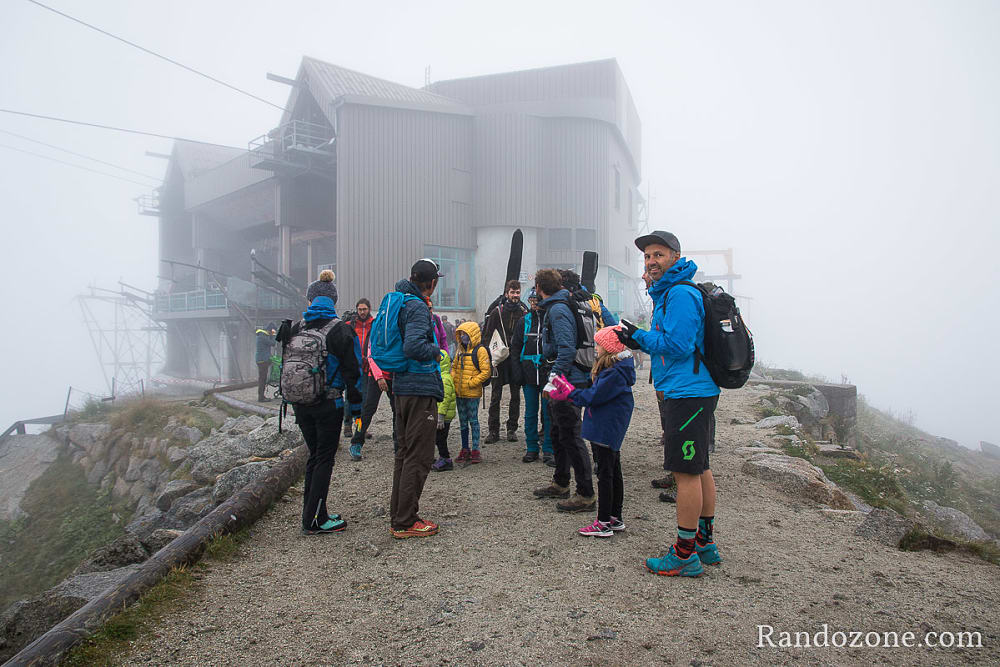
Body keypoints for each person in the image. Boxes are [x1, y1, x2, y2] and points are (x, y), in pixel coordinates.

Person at [616, 230, 721, 577]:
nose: (651, 262)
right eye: (647, 257)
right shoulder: (670, 293)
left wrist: (636, 337)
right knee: (700, 467)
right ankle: (704, 543)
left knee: (685, 472)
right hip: (692, 389)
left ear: (675, 256)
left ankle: (684, 553)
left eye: (658, 255)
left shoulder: (679, 294)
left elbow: (677, 345)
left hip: (687, 392)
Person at [276, 295, 362, 535]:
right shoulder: (340, 331)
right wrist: (356, 409)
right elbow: (353, 371)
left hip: (299, 403)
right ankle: (314, 520)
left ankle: (314, 513)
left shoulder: (296, 328)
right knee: (324, 458)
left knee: (314, 456)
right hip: (328, 403)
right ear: (332, 307)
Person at [547, 325, 635, 537]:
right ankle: (615, 517)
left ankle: (603, 522)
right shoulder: (617, 369)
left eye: (599, 344)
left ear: (609, 348)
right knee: (614, 470)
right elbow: (595, 392)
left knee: (605, 474)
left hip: (605, 429)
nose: (595, 348)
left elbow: (593, 397)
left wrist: (569, 393)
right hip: (609, 428)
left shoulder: (614, 373)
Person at [388, 259, 445, 538]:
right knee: (419, 456)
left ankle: (399, 515)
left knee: (404, 452)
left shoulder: (400, 301)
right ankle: (406, 521)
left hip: (401, 386)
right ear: (431, 283)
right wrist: (435, 351)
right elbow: (413, 346)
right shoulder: (418, 306)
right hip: (419, 387)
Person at [531, 269, 595, 513]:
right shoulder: (560, 305)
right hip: (570, 376)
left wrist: (553, 379)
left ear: (538, 287)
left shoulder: (557, 310)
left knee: (570, 434)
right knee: (557, 431)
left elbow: (566, 349)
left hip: (568, 379)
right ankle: (560, 482)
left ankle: (585, 494)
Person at [510, 289, 553, 465]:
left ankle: (549, 449)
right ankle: (532, 448)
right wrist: (517, 372)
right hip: (528, 373)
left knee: (548, 412)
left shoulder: (550, 319)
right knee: (530, 412)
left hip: (546, 371)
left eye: (537, 300)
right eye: (532, 300)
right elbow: (515, 348)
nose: (534, 304)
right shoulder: (523, 321)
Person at [482, 280, 527, 443]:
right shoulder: (497, 312)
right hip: (499, 359)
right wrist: (489, 356)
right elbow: (487, 335)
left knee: (515, 395)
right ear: (506, 293)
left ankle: (511, 429)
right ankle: (493, 431)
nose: (515, 295)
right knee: (495, 395)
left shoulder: (523, 311)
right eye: (512, 292)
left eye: (517, 292)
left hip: (515, 359)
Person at [450, 320, 492, 464]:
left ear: (472, 334)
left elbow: (486, 371)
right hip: (459, 392)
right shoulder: (460, 349)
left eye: (464, 334)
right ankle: (464, 449)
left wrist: (471, 382)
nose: (462, 336)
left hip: (472, 392)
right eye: (460, 334)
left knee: (473, 421)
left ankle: (475, 450)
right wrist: (455, 381)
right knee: (462, 422)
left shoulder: (480, 350)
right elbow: (454, 367)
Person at [349, 338, 398, 460]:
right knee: (367, 409)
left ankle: (398, 443)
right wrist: (379, 377)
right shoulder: (376, 328)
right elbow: (370, 355)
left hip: (395, 374)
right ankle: (356, 441)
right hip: (375, 375)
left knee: (398, 410)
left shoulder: (397, 326)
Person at [343, 298, 374, 439]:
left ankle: (361, 427)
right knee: (350, 398)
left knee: (365, 401)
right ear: (357, 309)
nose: (362, 312)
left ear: (369, 309)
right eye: (360, 309)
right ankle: (348, 424)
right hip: (353, 368)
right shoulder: (350, 325)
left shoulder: (373, 325)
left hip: (368, 368)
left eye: (364, 309)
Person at [431, 350, 457, 471]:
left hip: (444, 417)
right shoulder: (442, 377)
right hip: (443, 415)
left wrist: (440, 415)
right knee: (439, 438)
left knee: (440, 438)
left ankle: (445, 459)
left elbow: (445, 399)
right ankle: (443, 458)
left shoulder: (444, 379)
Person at [255, 324, 276, 402]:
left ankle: (261, 396)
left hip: (262, 360)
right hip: (262, 361)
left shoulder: (262, 335)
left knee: (262, 379)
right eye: (272, 331)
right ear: (270, 330)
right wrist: (273, 335)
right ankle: (261, 398)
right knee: (262, 379)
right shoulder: (262, 337)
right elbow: (273, 343)